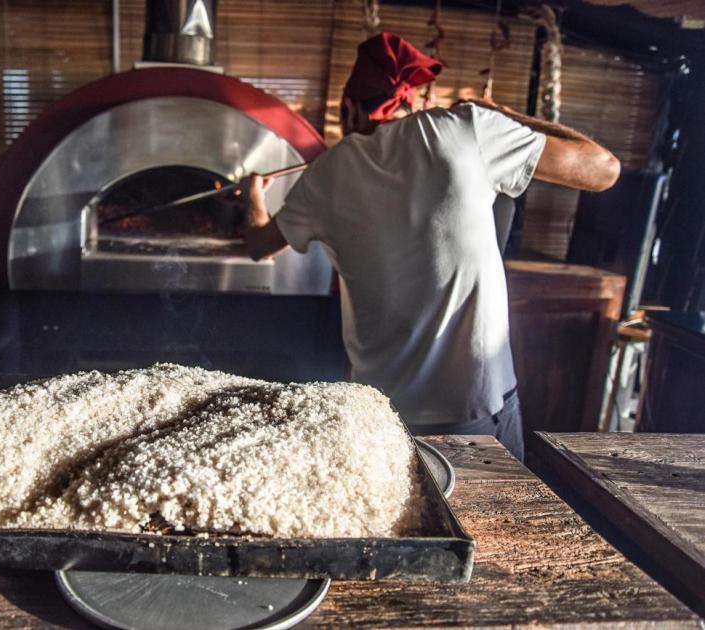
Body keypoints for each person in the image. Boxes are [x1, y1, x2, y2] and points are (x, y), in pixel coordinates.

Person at [242, 32, 620, 460]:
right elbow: (603, 169)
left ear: (349, 107)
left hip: (381, 417)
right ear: (412, 98)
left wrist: (252, 194)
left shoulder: (328, 172)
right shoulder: (468, 129)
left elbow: (259, 246)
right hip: (475, 413)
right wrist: (507, 115)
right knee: (490, 526)